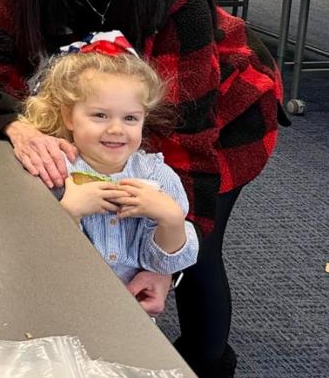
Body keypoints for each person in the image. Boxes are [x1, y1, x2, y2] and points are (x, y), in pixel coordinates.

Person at [0, 0, 284, 378]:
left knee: (192, 254)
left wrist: (170, 259)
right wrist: (17, 124)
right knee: (93, 227)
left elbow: (188, 138)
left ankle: (207, 364)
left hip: (218, 117)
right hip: (111, 115)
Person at [20, 33, 199, 309]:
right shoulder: (54, 168)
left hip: (129, 306)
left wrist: (172, 219)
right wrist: (68, 211)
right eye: (100, 115)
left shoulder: (157, 177)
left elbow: (161, 262)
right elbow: (28, 249)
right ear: (69, 116)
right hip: (57, 301)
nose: (116, 129)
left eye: (130, 118)